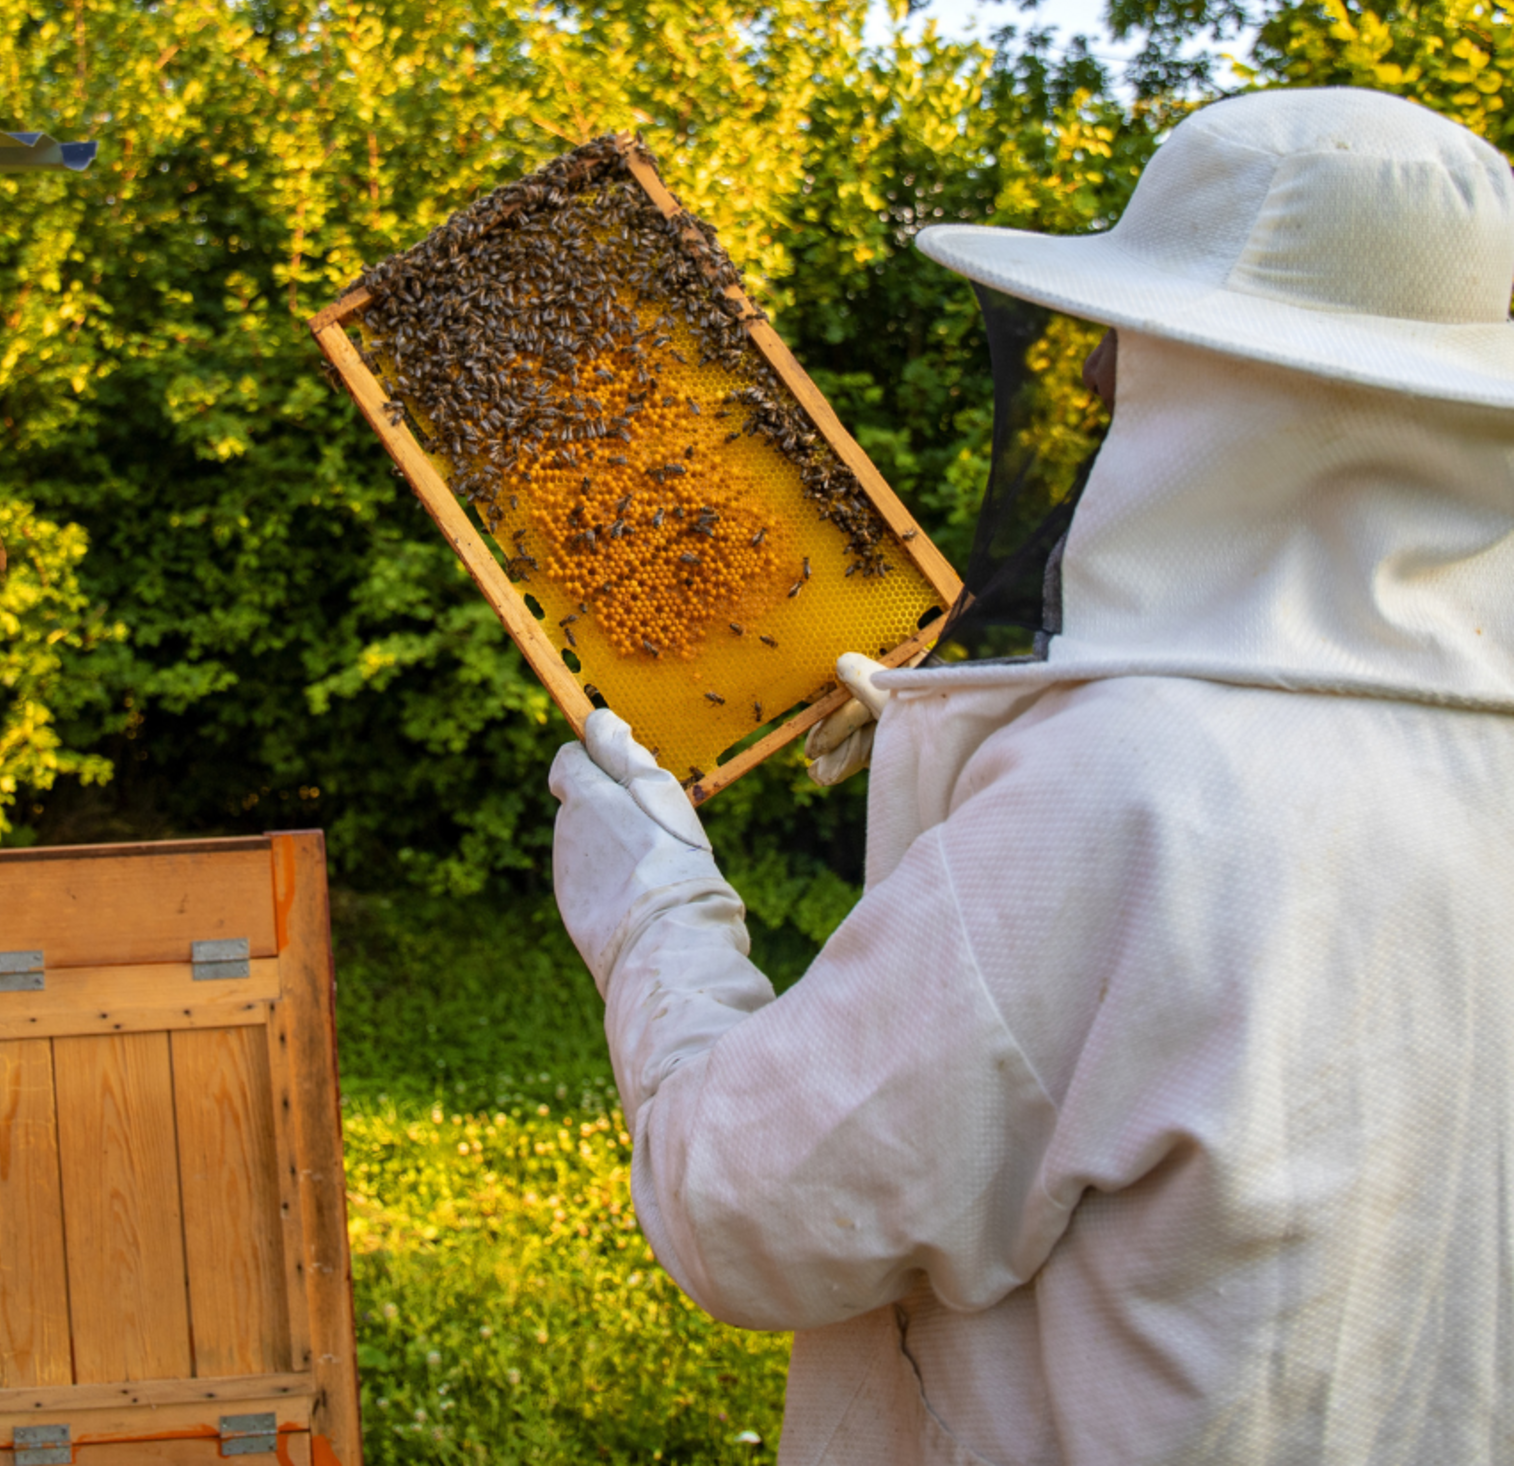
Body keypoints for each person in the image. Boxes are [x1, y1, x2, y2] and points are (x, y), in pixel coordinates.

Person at [550, 87, 1514, 1464]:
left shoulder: (1125, 794)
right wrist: (942, 743)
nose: (1095, 377)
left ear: (1232, 389)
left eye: (1133, 337)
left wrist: (653, 912)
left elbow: (748, 1209)